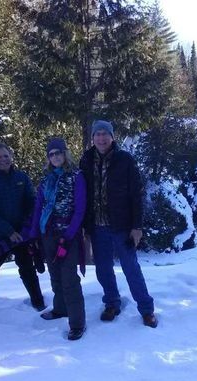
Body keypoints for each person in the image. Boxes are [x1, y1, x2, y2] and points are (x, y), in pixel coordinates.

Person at [79, 120, 158, 328]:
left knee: (131, 267)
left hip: (122, 225)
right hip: (97, 226)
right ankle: (112, 303)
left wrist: (137, 226)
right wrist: (84, 226)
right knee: (103, 269)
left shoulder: (125, 160)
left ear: (112, 137)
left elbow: (136, 195)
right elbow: (82, 195)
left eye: (105, 134)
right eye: (98, 134)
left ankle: (146, 309)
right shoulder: (86, 160)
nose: (101, 138)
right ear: (92, 138)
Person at [0, 142, 46, 315]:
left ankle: (38, 302)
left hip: (22, 235)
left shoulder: (21, 177)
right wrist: (8, 231)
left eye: (6, 156)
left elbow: (32, 202)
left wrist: (24, 229)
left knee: (28, 270)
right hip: (0, 236)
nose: (3, 159)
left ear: (11, 157)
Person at [30, 137, 87, 341]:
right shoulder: (46, 180)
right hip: (48, 233)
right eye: (51, 154)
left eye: (58, 153)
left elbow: (80, 209)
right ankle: (60, 308)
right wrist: (34, 234)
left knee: (69, 278)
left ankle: (77, 322)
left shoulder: (76, 176)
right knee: (55, 275)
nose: (55, 157)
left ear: (65, 154)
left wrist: (70, 235)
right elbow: (39, 207)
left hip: (67, 234)